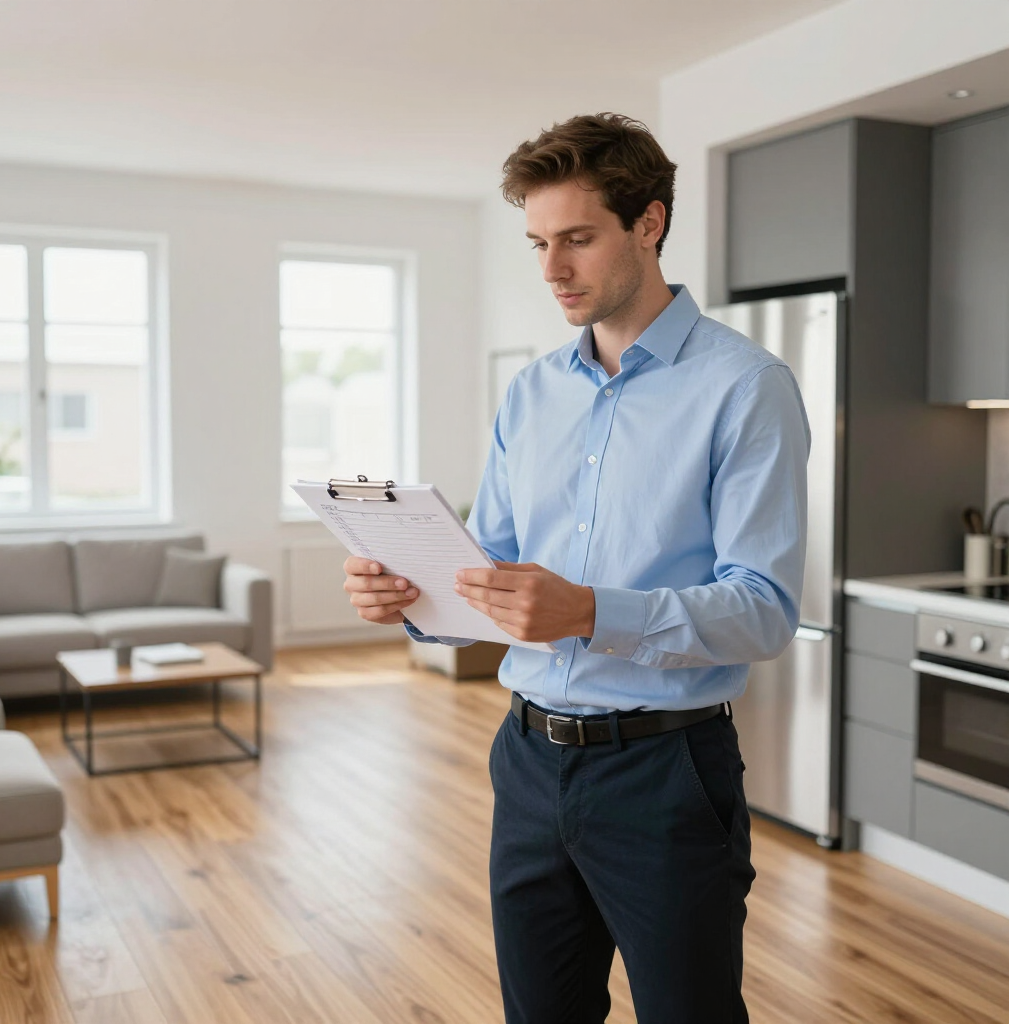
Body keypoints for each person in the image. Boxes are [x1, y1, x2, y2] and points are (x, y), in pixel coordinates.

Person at [343, 112, 810, 1024]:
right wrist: (412, 594)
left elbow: (763, 612)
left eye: (578, 239)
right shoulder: (531, 390)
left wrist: (592, 611)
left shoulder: (746, 388)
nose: (553, 269)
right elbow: (497, 575)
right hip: (525, 760)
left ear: (650, 223)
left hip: (664, 772)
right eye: (539, 244)